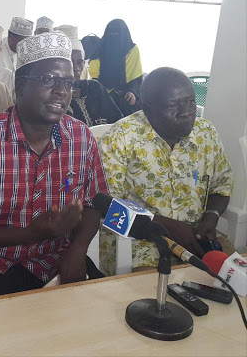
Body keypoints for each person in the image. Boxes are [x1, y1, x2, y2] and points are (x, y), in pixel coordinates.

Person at [0, 31, 109, 300]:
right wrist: (31, 232)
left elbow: (95, 202)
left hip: (60, 259)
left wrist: (77, 250)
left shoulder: (81, 138)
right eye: (48, 79)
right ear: (20, 86)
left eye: (68, 82)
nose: (61, 91)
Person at [99, 67, 235, 275]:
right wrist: (164, 225)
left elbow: (221, 185)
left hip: (196, 238)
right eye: (174, 105)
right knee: (152, 300)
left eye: (190, 102)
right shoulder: (121, 138)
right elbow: (106, 207)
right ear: (148, 108)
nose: (187, 112)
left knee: (235, 287)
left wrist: (211, 216)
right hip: (139, 242)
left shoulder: (205, 133)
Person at [56, 25, 122, 126]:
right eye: (70, 62)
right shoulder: (55, 97)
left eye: (80, 62)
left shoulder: (95, 88)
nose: (76, 68)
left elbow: (119, 123)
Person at [89, 19, 143, 116]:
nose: (114, 35)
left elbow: (136, 77)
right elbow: (94, 77)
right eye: (111, 32)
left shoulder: (132, 50)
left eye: (117, 32)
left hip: (125, 95)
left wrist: (132, 92)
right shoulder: (100, 49)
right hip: (101, 94)